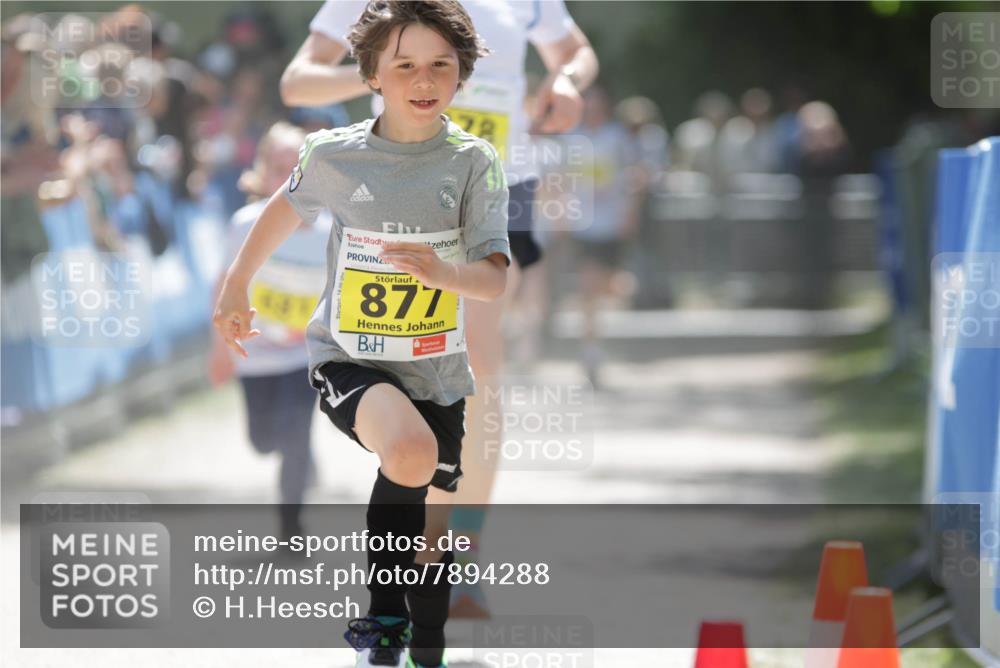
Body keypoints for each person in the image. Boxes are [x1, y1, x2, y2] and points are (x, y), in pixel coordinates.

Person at [213, 3, 510, 667]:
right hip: (350, 358)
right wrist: (237, 284)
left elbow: (494, 279)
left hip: (436, 371)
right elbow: (279, 212)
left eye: (441, 64)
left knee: (432, 539)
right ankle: (380, 629)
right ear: (372, 73)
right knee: (409, 453)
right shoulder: (333, 154)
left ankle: (426, 645)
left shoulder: (475, 163)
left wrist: (443, 273)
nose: (424, 78)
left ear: (462, 74)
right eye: (404, 65)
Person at [280, 0, 597, 619]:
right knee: (419, 361)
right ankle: (412, 526)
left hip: (497, 179)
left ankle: (453, 556)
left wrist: (565, 80)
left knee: (478, 361)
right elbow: (297, 81)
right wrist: (394, 72)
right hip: (403, 183)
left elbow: (576, 52)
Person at [209, 121, 326, 543]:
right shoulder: (245, 225)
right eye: (278, 167)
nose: (288, 177)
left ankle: (291, 529)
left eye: (297, 167)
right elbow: (221, 288)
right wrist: (219, 348)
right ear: (261, 173)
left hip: (304, 357)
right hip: (255, 357)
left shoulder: (330, 230)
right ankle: (298, 453)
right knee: (263, 441)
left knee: (296, 434)